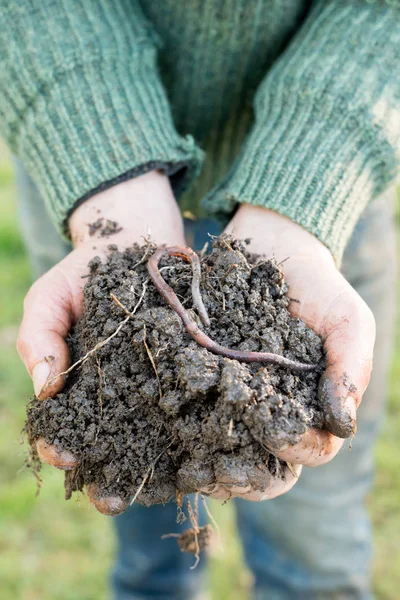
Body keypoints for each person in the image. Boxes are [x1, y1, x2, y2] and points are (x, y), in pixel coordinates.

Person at [1, 1, 399, 598]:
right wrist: (110, 199)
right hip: (84, 161)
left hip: (322, 183)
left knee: (314, 542)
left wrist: (306, 200)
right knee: (129, 476)